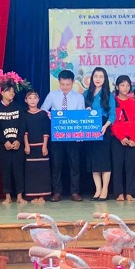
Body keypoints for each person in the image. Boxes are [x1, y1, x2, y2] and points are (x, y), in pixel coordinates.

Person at [41, 70, 85, 202]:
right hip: (57, 134)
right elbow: (43, 109)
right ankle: (56, 192)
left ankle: (75, 192)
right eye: (62, 84)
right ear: (58, 83)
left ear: (73, 83)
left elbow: (81, 115)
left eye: (68, 84)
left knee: (75, 164)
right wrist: (49, 115)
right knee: (56, 164)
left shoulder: (79, 97)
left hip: (73, 135)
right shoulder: (52, 95)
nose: (65, 87)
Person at [83, 67, 116, 201]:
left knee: (104, 161)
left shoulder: (109, 94)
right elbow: (81, 112)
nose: (98, 79)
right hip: (90, 128)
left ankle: (105, 190)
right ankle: (97, 190)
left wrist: (105, 126)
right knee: (94, 162)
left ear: (105, 79)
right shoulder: (86, 94)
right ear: (92, 78)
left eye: (101, 76)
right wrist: (86, 110)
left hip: (104, 127)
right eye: (95, 76)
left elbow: (112, 114)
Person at [0, 81, 27, 205]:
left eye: (13, 91)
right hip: (4, 146)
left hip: (18, 145)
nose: (12, 93)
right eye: (9, 91)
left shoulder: (18, 107)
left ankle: (19, 196)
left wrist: (19, 140)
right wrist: (4, 142)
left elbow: (23, 125)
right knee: (6, 171)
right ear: (2, 93)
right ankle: (7, 196)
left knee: (18, 170)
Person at [111, 75, 135, 201]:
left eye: (127, 85)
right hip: (117, 139)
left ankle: (130, 193)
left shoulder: (133, 102)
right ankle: (119, 193)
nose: (125, 88)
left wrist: (133, 138)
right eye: (122, 85)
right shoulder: (113, 101)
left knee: (131, 167)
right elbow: (112, 122)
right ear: (117, 87)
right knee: (117, 166)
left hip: (132, 140)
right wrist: (121, 137)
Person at [23, 91, 51, 204]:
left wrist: (44, 146)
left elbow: (46, 131)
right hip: (30, 147)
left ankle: (43, 195)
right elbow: (24, 131)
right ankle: (32, 195)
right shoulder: (24, 114)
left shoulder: (43, 114)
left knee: (42, 171)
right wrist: (26, 145)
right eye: (30, 98)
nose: (33, 100)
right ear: (26, 100)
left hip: (41, 146)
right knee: (31, 172)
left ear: (39, 100)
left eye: (35, 98)